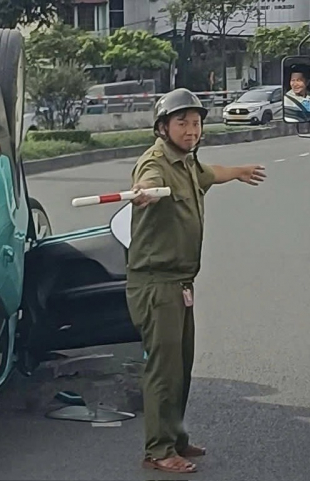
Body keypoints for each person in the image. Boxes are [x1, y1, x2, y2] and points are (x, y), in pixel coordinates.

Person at [126, 88, 266, 474]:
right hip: (156, 285)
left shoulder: (187, 163)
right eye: (182, 123)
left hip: (180, 282)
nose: (191, 130)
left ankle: (177, 438)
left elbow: (210, 174)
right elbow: (146, 184)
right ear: (162, 127)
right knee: (163, 369)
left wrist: (238, 172)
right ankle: (158, 450)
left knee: (182, 365)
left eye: (196, 123)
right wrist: (144, 196)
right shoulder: (155, 163)